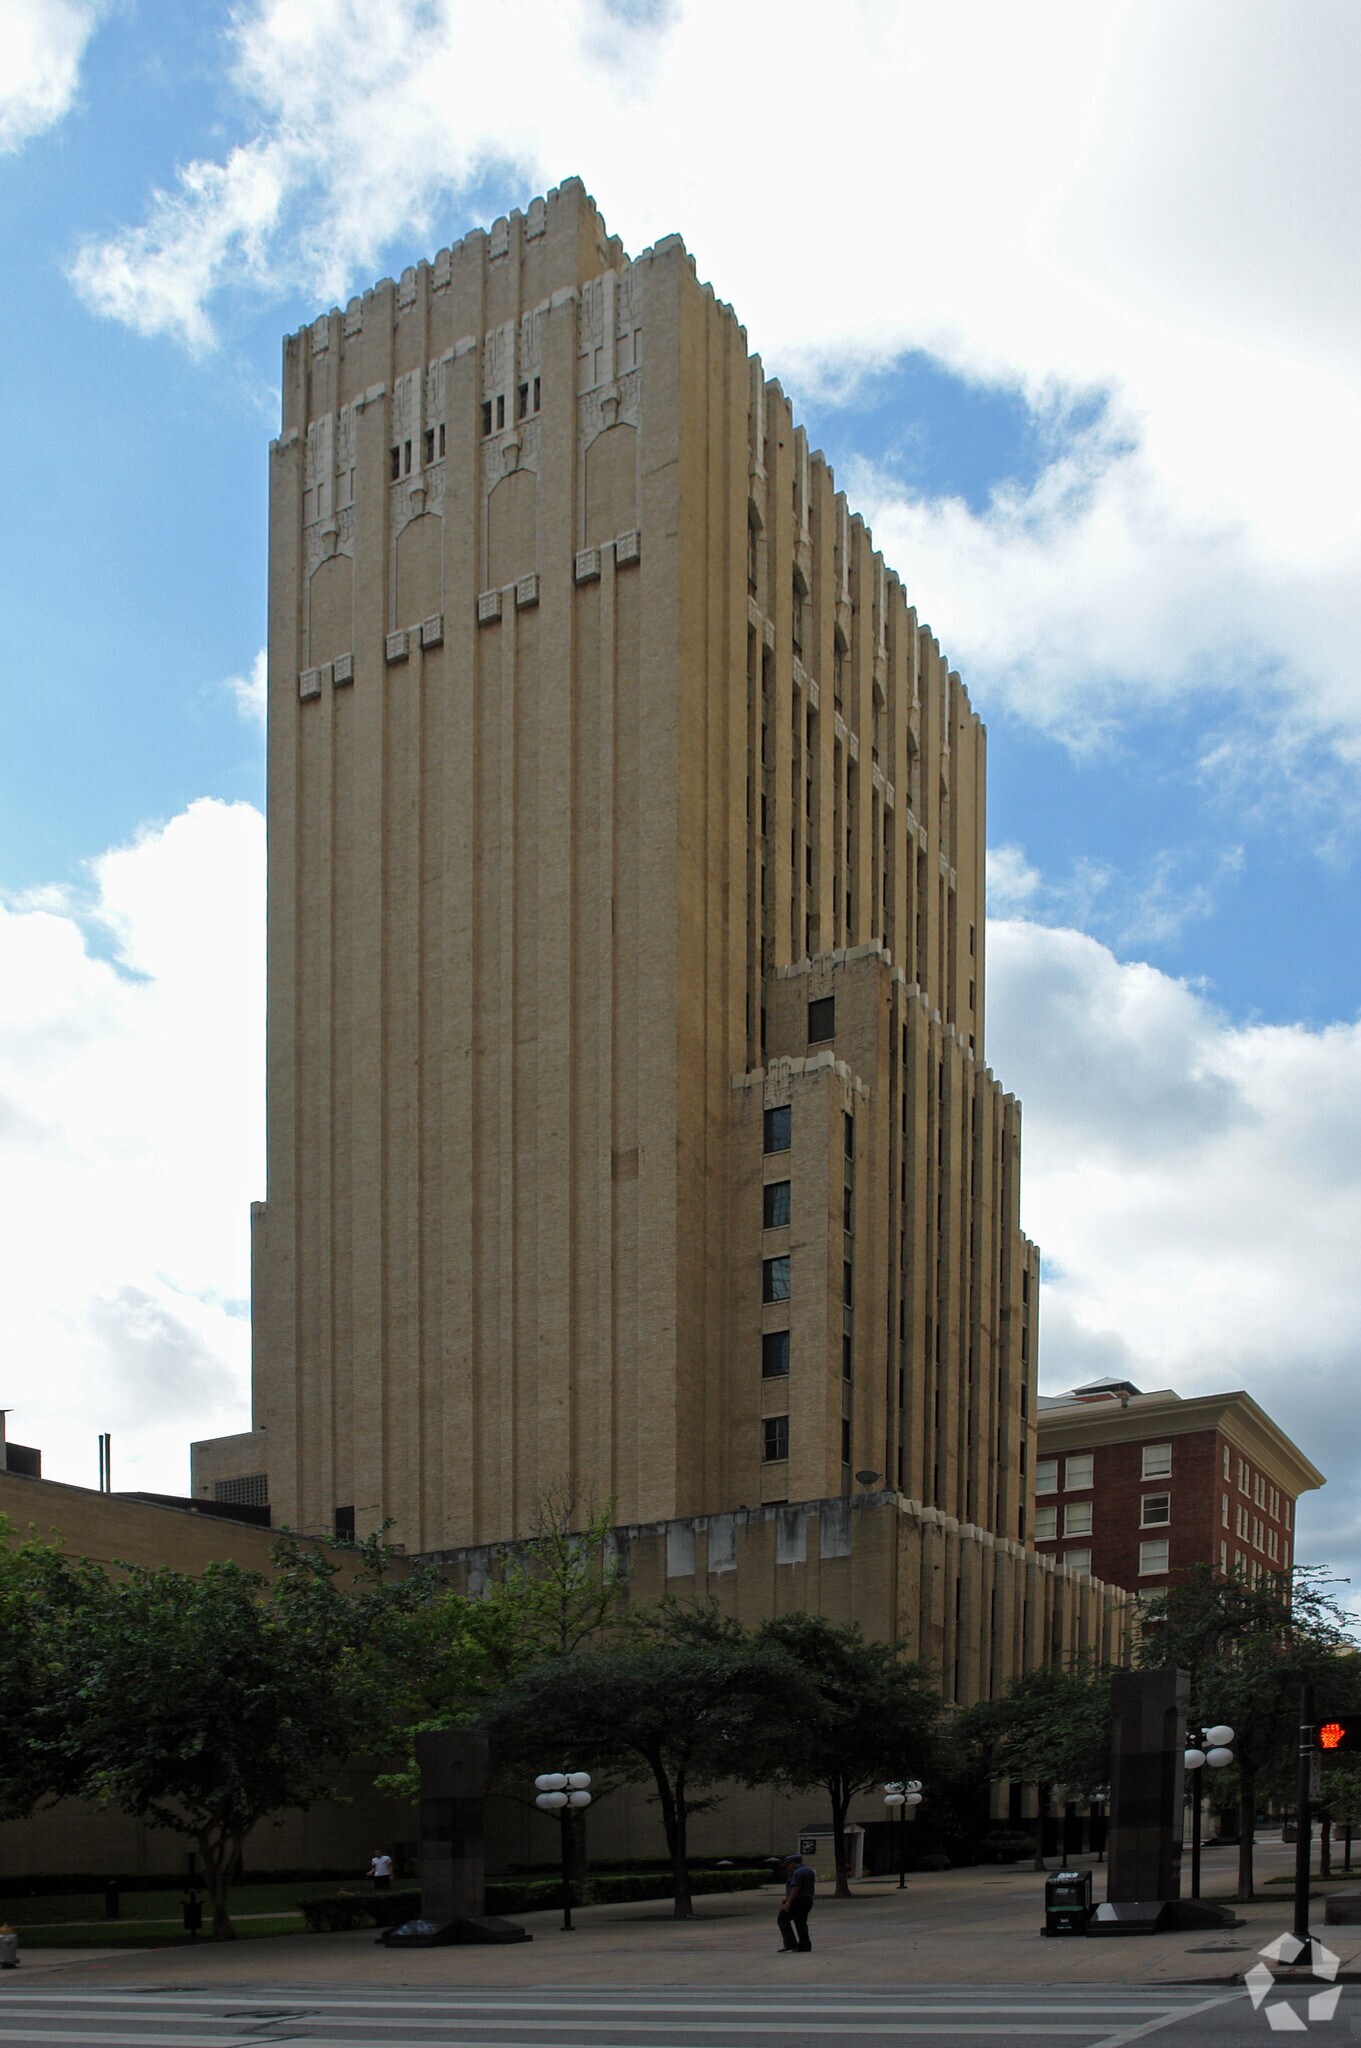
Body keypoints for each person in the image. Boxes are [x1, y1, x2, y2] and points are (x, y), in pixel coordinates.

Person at [776, 1851, 814, 1952]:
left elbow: (796, 1888)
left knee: (782, 1919)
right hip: (807, 1899)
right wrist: (787, 1899)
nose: (787, 1867)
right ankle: (805, 1944)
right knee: (801, 1922)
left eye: (787, 1864)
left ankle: (790, 1943)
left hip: (797, 1901)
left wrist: (788, 1902)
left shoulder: (797, 1872)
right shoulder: (808, 1870)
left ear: (793, 1863)